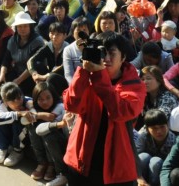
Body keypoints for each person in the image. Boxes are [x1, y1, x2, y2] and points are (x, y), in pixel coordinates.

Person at [63, 32, 147, 185]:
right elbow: (71, 105)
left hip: (117, 168)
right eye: (103, 52)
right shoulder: (87, 76)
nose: (106, 58)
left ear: (123, 58)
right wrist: (83, 70)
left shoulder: (134, 84)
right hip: (82, 159)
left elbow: (120, 112)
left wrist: (99, 75)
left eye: (112, 53)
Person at [136, 109, 176, 186]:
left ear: (167, 125)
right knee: (142, 157)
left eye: (162, 127)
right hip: (142, 176)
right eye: (154, 128)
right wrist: (139, 179)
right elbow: (133, 159)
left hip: (162, 175)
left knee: (155, 162)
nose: (159, 131)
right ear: (147, 129)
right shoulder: (143, 137)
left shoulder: (173, 141)